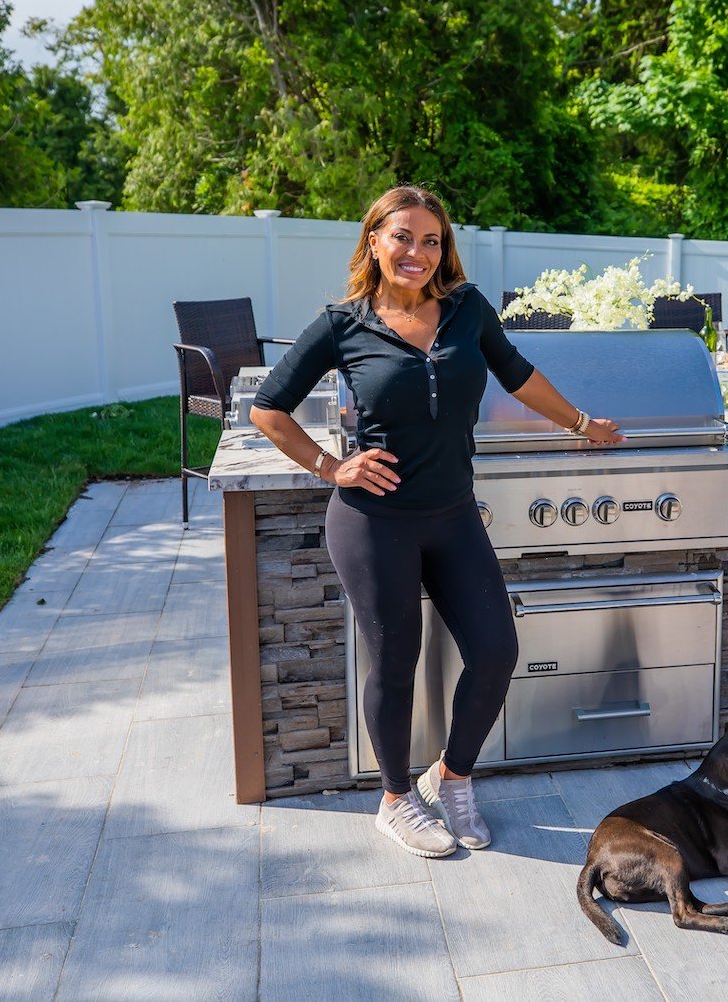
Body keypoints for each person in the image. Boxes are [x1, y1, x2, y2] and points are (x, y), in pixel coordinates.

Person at [250, 186, 622, 858]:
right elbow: (268, 407)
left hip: (452, 513)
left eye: (431, 240)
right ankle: (395, 799)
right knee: (395, 661)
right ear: (374, 241)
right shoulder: (343, 323)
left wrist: (580, 423)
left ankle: (451, 776)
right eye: (403, 237)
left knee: (497, 649)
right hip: (373, 521)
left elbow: (517, 373)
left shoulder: (467, 310)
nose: (417, 252)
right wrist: (330, 466)